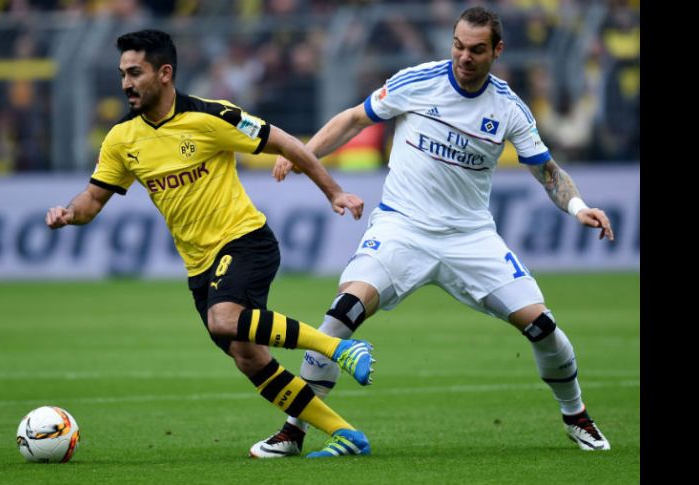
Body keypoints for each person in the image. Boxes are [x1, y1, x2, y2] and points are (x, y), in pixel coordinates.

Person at [250, 6, 614, 458]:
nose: (464, 56)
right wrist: (305, 154)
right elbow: (353, 119)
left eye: (477, 49)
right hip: (402, 228)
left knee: (542, 326)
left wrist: (578, 207)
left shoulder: (508, 108)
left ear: (497, 51)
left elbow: (548, 172)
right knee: (339, 317)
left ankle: (576, 415)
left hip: (470, 237)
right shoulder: (417, 81)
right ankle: (293, 430)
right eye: (458, 46)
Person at [45, 29, 376, 458]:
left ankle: (339, 348)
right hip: (199, 266)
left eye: (134, 72)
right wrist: (69, 214)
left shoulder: (211, 116)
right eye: (122, 74)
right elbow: (92, 199)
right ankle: (346, 435)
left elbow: (286, 142)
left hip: (246, 241)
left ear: (164, 73)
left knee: (224, 320)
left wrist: (334, 192)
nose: (125, 83)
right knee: (248, 357)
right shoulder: (122, 140)